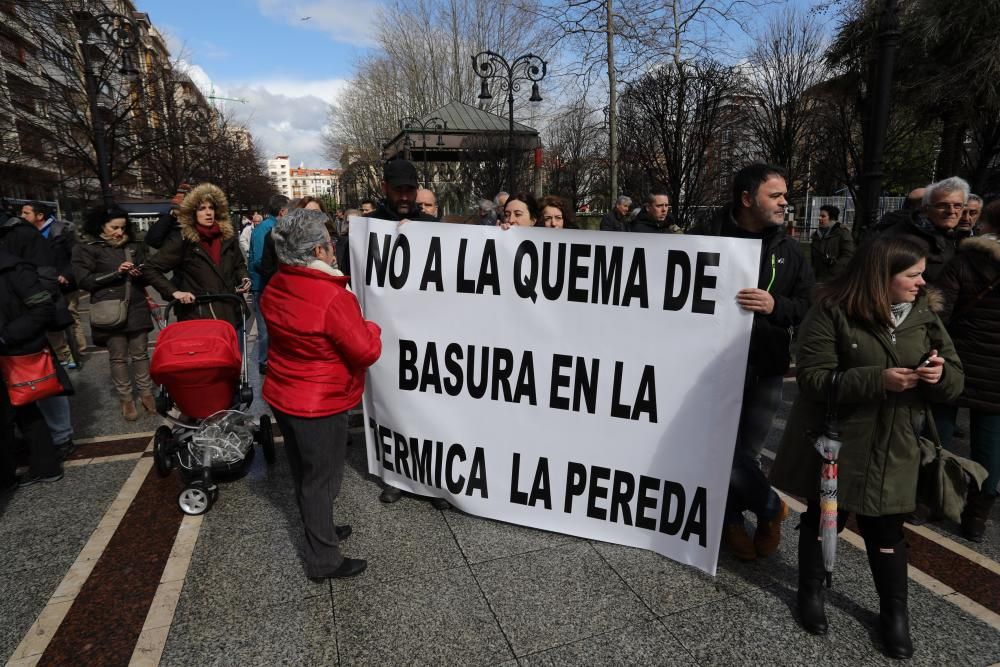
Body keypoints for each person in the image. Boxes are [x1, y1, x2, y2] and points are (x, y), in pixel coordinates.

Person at [770, 236, 963, 658]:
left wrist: (939, 376)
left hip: (894, 446)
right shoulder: (832, 310)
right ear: (881, 277)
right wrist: (878, 379)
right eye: (912, 275)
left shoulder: (925, 314)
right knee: (824, 519)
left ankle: (894, 614)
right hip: (836, 443)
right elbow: (813, 378)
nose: (922, 281)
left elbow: (955, 380)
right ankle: (811, 593)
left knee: (887, 530)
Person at [688, 163, 814, 561]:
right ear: (746, 199)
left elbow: (808, 307)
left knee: (747, 451)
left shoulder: (790, 250)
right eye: (775, 196)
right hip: (709, 367)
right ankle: (762, 510)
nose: (784, 202)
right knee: (716, 448)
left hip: (765, 367)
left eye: (783, 195)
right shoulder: (704, 239)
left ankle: (750, 516)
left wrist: (777, 305)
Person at [261, 208, 382, 579]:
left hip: (285, 395)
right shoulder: (331, 296)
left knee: (303, 474)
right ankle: (324, 560)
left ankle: (322, 531)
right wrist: (372, 326)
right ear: (316, 252)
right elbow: (366, 351)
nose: (334, 250)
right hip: (319, 403)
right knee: (322, 481)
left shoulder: (277, 285)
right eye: (330, 245)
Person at [935, 200, 1000, 541]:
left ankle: (935, 498)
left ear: (986, 225)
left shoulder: (963, 262)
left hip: (955, 361)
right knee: (990, 446)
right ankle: (977, 515)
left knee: (940, 431)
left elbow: (939, 311)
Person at [73, 206, 156, 421]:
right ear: (101, 226)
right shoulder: (88, 248)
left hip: (135, 305)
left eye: (122, 227)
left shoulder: (134, 246)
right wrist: (116, 272)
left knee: (140, 354)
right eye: (114, 227)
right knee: (118, 357)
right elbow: (84, 280)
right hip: (109, 309)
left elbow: (149, 273)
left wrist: (139, 273)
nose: (119, 232)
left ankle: (147, 394)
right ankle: (126, 399)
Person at [142, 183, 251, 332]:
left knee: (235, 354)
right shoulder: (183, 239)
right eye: (202, 208)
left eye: (211, 208)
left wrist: (244, 278)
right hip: (198, 316)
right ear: (193, 212)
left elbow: (238, 265)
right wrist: (175, 292)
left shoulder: (227, 237)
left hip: (232, 311)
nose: (208, 213)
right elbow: (150, 268)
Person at [0, 247, 61, 489]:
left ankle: (43, 467)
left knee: (23, 409)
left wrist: (6, 337)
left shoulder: (14, 267)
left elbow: (43, 308)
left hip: (13, 353)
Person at [21, 202, 82, 365]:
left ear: (39, 216)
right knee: (49, 318)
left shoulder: (63, 230)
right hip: (42, 284)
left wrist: (66, 274)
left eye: (26, 213)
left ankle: (78, 351)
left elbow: (76, 257)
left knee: (71, 316)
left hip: (66, 283)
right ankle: (63, 354)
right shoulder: (26, 234)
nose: (22, 217)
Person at [878, 176, 970, 285]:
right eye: (942, 205)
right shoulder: (906, 240)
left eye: (958, 206)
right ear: (926, 209)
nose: (951, 211)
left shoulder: (953, 235)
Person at [246, 194, 288, 375]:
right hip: (264, 285)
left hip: (270, 284)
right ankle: (264, 362)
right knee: (265, 329)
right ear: (282, 211)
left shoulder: (268, 227)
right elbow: (259, 261)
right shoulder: (267, 229)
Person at [366, 161, 437, 224]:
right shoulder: (367, 223)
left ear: (417, 189)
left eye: (409, 190)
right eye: (398, 190)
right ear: (384, 188)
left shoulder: (431, 224)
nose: (404, 197)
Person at [809, 204, 855, 283]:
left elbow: (848, 256)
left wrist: (833, 269)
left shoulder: (842, 233)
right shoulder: (816, 235)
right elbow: (813, 260)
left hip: (835, 280)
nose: (819, 218)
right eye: (819, 216)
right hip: (817, 280)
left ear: (832, 218)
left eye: (823, 216)